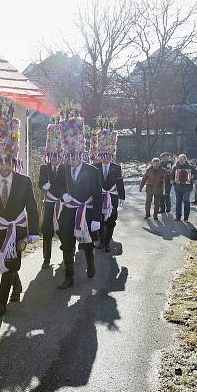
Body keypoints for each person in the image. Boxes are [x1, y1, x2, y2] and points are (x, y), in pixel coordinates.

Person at [0, 100, 39, 317]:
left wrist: (34, 232)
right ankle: (16, 287)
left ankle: (1, 303)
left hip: (17, 232)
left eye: (7, 161)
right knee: (6, 264)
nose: (3, 166)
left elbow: (33, 208)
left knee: (8, 266)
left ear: (13, 159)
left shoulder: (24, 181)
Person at [52, 112, 103, 289]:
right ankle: (69, 276)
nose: (72, 160)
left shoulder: (92, 171)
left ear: (81, 154)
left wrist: (97, 218)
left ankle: (90, 263)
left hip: (86, 212)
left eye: (75, 156)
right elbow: (55, 186)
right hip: (68, 211)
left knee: (87, 243)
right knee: (67, 244)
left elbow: (98, 195)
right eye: (69, 156)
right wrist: (62, 194)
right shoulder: (63, 170)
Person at [93, 118, 125, 252]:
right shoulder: (94, 167)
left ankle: (107, 243)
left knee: (111, 221)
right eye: (103, 155)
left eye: (108, 155)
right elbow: (93, 184)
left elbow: (120, 182)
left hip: (112, 197)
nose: (105, 158)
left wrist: (122, 197)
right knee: (100, 220)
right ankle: (101, 241)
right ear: (100, 155)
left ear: (111, 155)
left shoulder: (116, 167)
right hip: (99, 197)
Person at [38, 118, 64, 269]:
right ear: (49, 154)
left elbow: (67, 185)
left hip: (61, 204)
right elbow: (40, 183)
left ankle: (67, 252)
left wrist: (65, 194)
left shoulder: (64, 168)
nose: (54, 159)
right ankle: (46, 259)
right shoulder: (44, 168)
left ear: (60, 155)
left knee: (62, 231)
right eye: (52, 156)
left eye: (56, 156)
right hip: (48, 204)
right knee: (47, 232)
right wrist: (43, 185)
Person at [172, 154, 194, 221]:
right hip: (178, 187)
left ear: (185, 160)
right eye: (180, 159)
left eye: (182, 159)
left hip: (187, 187)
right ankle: (178, 216)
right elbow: (172, 175)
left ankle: (186, 217)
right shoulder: (175, 167)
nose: (181, 161)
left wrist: (193, 176)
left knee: (186, 201)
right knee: (178, 202)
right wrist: (172, 180)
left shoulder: (191, 167)